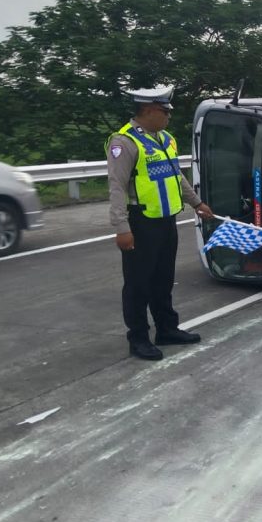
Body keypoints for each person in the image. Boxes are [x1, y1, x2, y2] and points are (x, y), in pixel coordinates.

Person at [107, 86, 214, 360]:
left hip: (166, 220)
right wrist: (122, 228)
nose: (168, 116)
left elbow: (176, 176)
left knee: (163, 279)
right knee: (138, 283)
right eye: (165, 111)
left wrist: (197, 203)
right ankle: (139, 338)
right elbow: (116, 187)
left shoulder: (166, 139)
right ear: (148, 111)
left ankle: (167, 329)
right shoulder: (125, 142)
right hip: (140, 222)